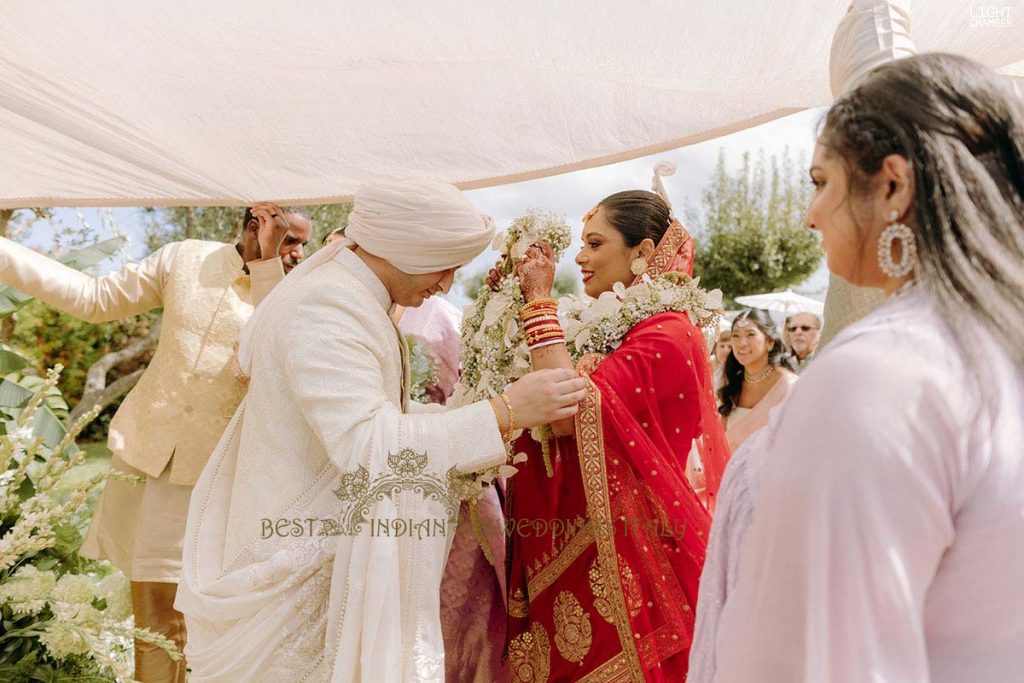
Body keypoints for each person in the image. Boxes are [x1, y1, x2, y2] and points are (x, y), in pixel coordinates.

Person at [174, 179, 589, 682]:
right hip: (292, 565)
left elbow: (378, 414)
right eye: (445, 265)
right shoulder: (326, 306)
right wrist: (502, 412)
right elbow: (367, 444)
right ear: (406, 249)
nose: (446, 284)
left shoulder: (350, 294)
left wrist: (474, 417)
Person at [694, 52, 1024, 682]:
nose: (809, 214)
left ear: (893, 186)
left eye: (821, 182)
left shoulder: (879, 374)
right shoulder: (988, 345)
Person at [0, 203, 310, 682]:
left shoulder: (293, 293)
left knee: (210, 624)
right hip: (148, 460)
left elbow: (272, 357)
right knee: (156, 617)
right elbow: (94, 298)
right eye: (291, 240)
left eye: (304, 243)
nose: (299, 253)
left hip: (223, 480)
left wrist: (271, 265)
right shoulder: (184, 258)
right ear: (256, 225)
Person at [487, 178, 729, 680]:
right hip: (581, 543)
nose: (580, 257)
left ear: (642, 252)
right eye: (581, 244)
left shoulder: (667, 333)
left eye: (596, 244)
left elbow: (563, 411)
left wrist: (537, 304)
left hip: (637, 559)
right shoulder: (609, 327)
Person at [718, 309, 798, 452]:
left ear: (770, 342)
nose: (742, 343)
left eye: (751, 334)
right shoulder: (730, 383)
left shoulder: (789, 386)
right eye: (735, 335)